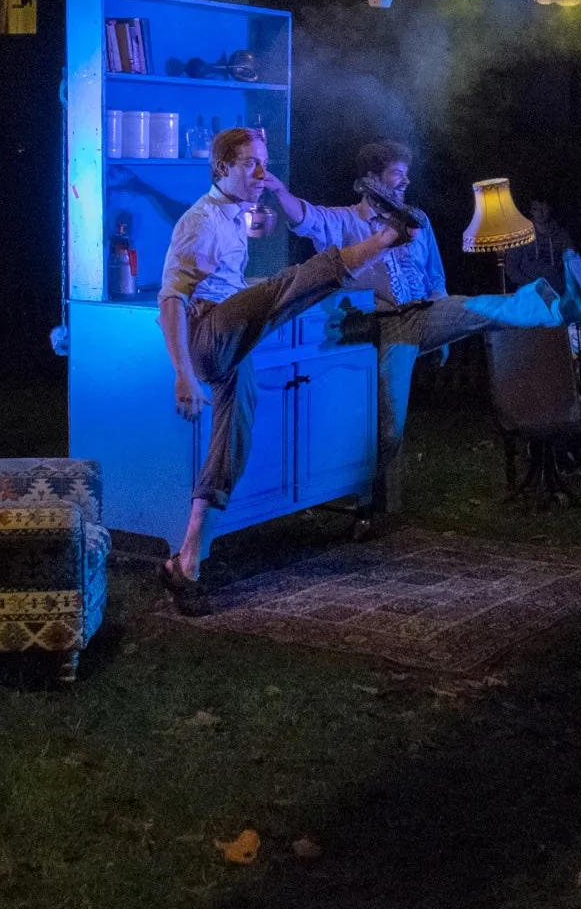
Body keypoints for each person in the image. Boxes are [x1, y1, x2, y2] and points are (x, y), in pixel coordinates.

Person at [157, 128, 414, 613]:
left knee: (233, 443)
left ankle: (185, 562)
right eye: (250, 163)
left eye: (264, 162)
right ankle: (383, 238)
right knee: (290, 284)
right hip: (210, 332)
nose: (262, 173)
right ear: (222, 169)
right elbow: (169, 300)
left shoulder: (237, 217)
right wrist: (183, 375)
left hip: (234, 344)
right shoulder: (201, 220)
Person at [293, 140, 581, 527]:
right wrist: (274, 188)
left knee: (479, 308)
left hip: (426, 313)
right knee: (389, 426)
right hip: (385, 326)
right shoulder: (345, 221)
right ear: (372, 179)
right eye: (397, 173)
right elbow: (304, 218)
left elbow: (435, 277)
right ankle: (365, 502)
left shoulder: (416, 219)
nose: (405, 180)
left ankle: (561, 307)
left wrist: (445, 333)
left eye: (407, 173)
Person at [503, 195, 575, 292]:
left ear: (550, 208)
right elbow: (511, 266)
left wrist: (566, 288)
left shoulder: (561, 235)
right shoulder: (521, 235)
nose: (540, 213)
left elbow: (572, 264)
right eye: (535, 209)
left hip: (556, 290)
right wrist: (529, 284)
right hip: (529, 291)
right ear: (530, 211)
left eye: (544, 208)